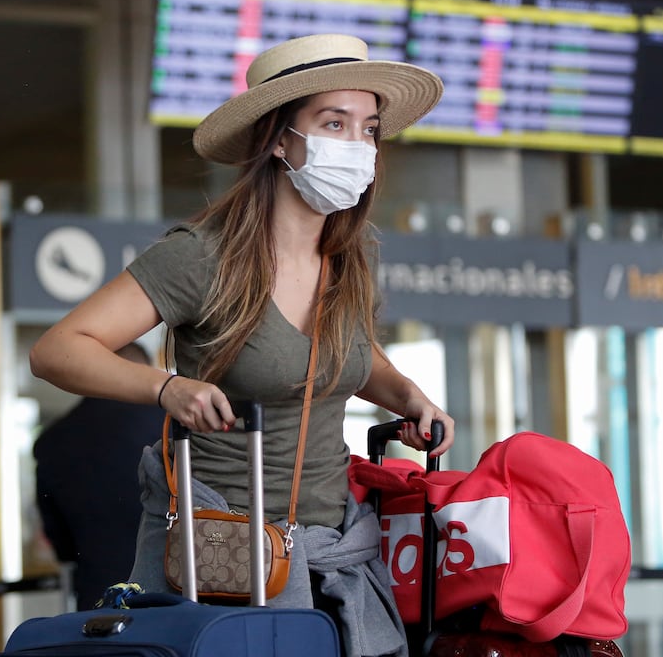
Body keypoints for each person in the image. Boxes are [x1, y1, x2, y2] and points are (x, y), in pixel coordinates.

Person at [29, 33, 455, 657]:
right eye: (333, 122)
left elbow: (347, 357)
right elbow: (58, 349)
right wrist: (166, 388)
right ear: (280, 138)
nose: (357, 146)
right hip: (223, 554)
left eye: (368, 129)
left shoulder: (348, 259)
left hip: (334, 553)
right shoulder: (202, 258)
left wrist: (407, 395)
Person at [33, 342, 166, 610]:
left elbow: (61, 542)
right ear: (146, 371)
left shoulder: (52, 441)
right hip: (171, 594)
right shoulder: (170, 424)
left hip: (97, 601)